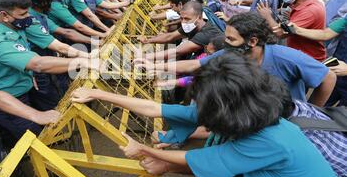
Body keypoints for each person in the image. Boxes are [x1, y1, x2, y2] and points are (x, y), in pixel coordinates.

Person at [76, 54, 347, 177]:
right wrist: (98, 93)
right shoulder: (242, 110)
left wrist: (148, 151)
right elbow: (153, 108)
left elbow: (212, 160)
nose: (195, 108)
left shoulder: (274, 139)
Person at [137, 12, 337, 107]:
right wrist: (155, 65)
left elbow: (328, 77)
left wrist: (310, 110)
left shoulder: (285, 57)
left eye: (231, 39)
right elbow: (194, 64)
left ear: (252, 41)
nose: (226, 42)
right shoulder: (232, 53)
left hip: (285, 117)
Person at [0, 0, 93, 139]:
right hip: (9, 101)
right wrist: (80, 62)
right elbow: (38, 64)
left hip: (27, 87)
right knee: (35, 138)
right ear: (4, 15)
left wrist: (88, 56)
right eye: (23, 13)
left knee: (52, 122)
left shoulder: (19, 23)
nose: (28, 16)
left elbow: (57, 45)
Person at [259, 0, 327, 62]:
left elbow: (281, 33)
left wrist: (267, 16)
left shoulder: (310, 10)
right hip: (297, 52)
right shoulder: (300, 2)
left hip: (308, 59)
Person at [285, 16, 347, 106]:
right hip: (336, 75)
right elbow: (326, 34)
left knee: (342, 116)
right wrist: (297, 30)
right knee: (320, 107)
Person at [142, 1, 222, 60]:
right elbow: (170, 37)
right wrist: (148, 40)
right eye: (181, 18)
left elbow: (177, 51)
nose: (183, 22)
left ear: (200, 18)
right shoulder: (192, 25)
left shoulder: (207, 33)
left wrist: (146, 57)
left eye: (187, 19)